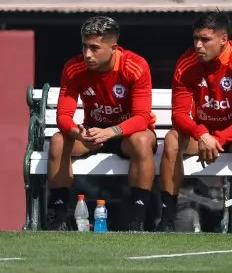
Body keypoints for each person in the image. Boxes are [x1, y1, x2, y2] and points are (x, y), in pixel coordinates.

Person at [159, 12, 232, 233]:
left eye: (205, 39)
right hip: (203, 137)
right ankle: (167, 219)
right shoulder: (186, 62)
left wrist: (217, 138)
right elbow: (179, 115)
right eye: (195, 39)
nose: (198, 45)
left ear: (223, 39)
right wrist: (202, 134)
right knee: (171, 140)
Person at [47, 16, 156, 231]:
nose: (87, 54)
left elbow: (142, 118)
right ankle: (58, 218)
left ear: (113, 48)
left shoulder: (135, 66)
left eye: (95, 48)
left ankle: (138, 220)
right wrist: (79, 134)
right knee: (58, 140)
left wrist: (111, 132)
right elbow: (63, 116)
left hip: (127, 135)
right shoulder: (73, 67)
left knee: (142, 140)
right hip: (93, 135)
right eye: (84, 46)